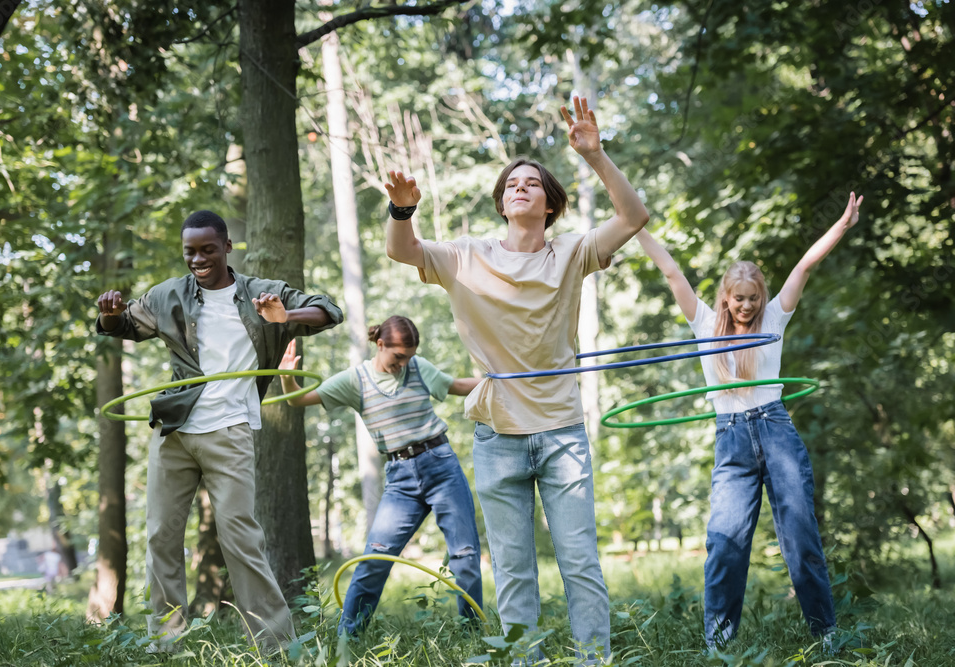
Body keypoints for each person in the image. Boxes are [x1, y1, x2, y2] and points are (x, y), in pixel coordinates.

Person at [384, 96, 650, 665]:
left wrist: (596, 155)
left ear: (550, 204)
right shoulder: (466, 256)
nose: (519, 187)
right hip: (497, 432)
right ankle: (524, 660)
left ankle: (593, 661)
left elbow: (633, 217)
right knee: (511, 566)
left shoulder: (572, 253)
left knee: (579, 559)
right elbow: (400, 249)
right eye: (511, 184)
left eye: (532, 182)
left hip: (560, 429)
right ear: (503, 203)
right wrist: (403, 209)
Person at [95, 210, 343, 653]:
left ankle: (276, 645)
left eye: (207, 249)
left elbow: (329, 310)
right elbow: (126, 328)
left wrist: (285, 315)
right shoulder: (169, 294)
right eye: (190, 251)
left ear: (227, 247)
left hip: (229, 432)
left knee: (241, 538)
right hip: (173, 431)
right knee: (161, 537)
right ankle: (166, 643)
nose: (198, 258)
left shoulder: (260, 294)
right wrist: (111, 315)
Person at [633, 192, 863, 650]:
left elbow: (802, 268)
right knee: (724, 544)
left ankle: (827, 635)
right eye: (739, 298)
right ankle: (719, 644)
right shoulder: (702, 323)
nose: (746, 306)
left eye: (753, 298)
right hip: (732, 440)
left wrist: (841, 225)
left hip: (777, 432)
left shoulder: (774, 317)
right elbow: (671, 270)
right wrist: (633, 225)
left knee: (802, 541)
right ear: (725, 295)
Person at [279, 315, 484, 636]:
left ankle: (474, 635)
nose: (403, 364)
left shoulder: (418, 368)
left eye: (409, 357)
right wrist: (287, 378)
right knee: (374, 560)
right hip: (400, 478)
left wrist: (499, 379)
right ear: (380, 345)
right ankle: (348, 638)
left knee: (465, 556)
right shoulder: (355, 379)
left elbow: (456, 386)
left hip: (441, 465)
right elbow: (297, 399)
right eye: (398, 357)